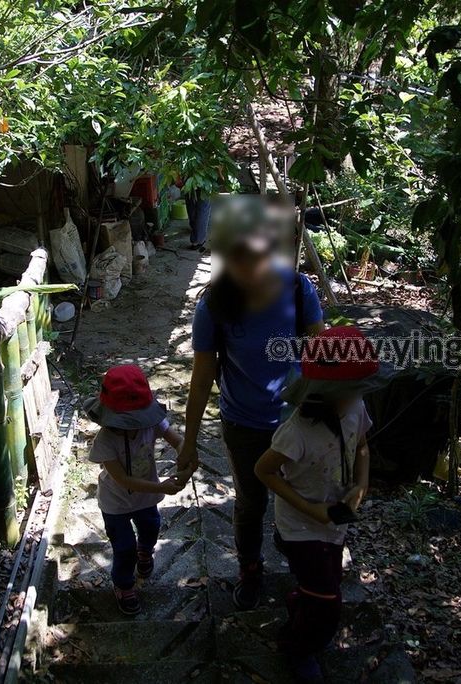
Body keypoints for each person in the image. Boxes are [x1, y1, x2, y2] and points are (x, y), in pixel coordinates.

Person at [178, 195, 325, 610]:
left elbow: (321, 351)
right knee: (250, 502)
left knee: (296, 496)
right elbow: (203, 376)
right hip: (243, 423)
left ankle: (296, 557)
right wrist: (189, 442)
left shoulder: (297, 289)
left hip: (296, 420)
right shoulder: (214, 304)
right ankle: (250, 568)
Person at [254, 325, 391, 682]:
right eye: (352, 389)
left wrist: (360, 484)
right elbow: (264, 471)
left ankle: (301, 600)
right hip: (301, 524)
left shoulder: (354, 407)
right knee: (329, 603)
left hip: (335, 516)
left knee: (324, 579)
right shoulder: (296, 430)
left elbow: (361, 446)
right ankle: (297, 647)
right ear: (328, 390)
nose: (359, 395)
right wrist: (311, 510)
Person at [84, 365, 192, 615]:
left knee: (151, 527)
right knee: (123, 548)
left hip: (146, 499)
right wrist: (161, 486)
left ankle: (145, 552)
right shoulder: (105, 441)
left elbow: (178, 441)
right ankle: (124, 585)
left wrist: (187, 456)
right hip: (115, 504)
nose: (134, 426)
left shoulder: (152, 425)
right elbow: (122, 479)